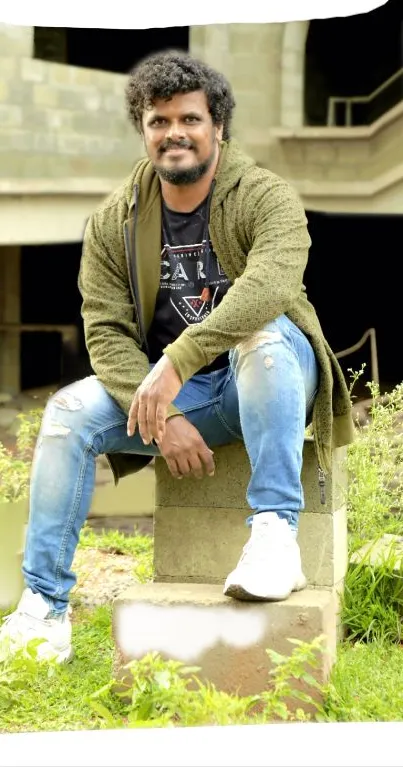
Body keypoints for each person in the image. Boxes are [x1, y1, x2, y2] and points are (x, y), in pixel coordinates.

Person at [0, 50, 354, 663]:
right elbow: (105, 330)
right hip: (182, 398)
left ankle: (274, 537)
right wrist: (164, 415)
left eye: (189, 119)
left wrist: (176, 363)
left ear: (217, 125)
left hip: (264, 381)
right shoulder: (115, 218)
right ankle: (42, 610)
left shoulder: (266, 197)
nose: (174, 134)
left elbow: (267, 287)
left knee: (264, 338)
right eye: (158, 122)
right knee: (65, 414)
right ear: (143, 130)